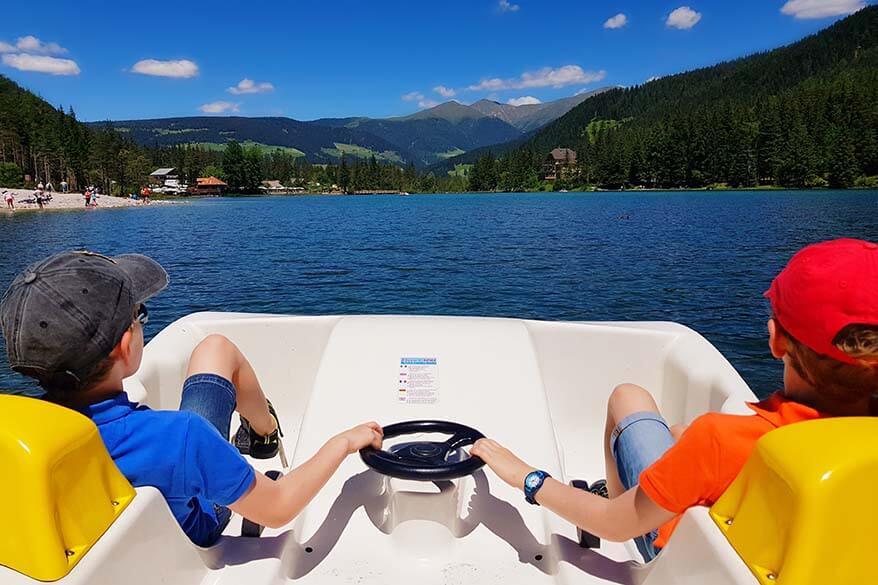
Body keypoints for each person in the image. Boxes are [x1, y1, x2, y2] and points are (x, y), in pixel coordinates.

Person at [471, 238, 878, 563]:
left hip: (675, 554)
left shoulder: (722, 441)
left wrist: (526, 476)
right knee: (680, 433)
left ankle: (613, 490)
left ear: (776, 340)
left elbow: (614, 526)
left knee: (628, 397)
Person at [0, 251, 384, 548]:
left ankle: (262, 430)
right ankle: (264, 432)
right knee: (218, 349)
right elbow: (280, 506)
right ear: (125, 345)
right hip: (197, 520)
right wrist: (344, 442)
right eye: (140, 315)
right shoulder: (181, 437)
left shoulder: (23, 437)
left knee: (213, 348)